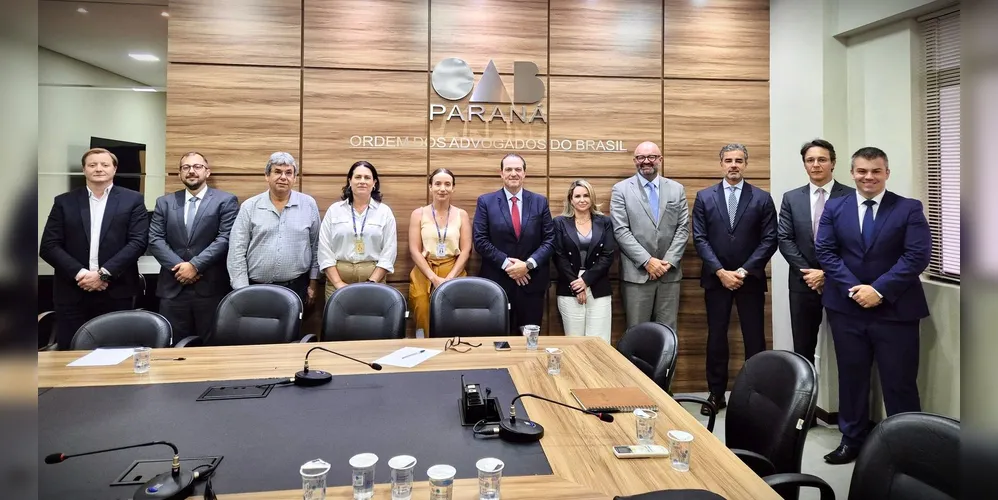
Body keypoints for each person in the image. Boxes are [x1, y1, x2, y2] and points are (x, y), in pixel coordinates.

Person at [815, 147, 931, 465]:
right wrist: (857, 290)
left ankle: (907, 448)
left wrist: (878, 290)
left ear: (886, 173)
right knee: (852, 379)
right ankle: (851, 440)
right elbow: (825, 251)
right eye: (862, 171)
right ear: (852, 173)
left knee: (900, 383)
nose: (869, 177)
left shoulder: (908, 208)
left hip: (896, 311)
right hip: (846, 309)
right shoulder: (835, 208)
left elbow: (917, 256)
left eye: (876, 171)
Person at [692, 143, 778, 414]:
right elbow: (700, 238)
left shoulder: (762, 198)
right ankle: (716, 394)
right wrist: (720, 271)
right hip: (716, 279)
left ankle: (756, 395)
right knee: (717, 337)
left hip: (748, 279)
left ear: (746, 164)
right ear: (720, 164)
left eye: (738, 160)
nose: (733, 165)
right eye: (728, 160)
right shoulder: (704, 197)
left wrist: (742, 271)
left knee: (754, 339)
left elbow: (769, 240)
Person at [39, 148, 149, 349]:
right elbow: (48, 246)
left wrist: (103, 275)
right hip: (72, 292)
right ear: (84, 170)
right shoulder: (64, 202)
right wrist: (81, 274)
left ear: (114, 169)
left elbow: (138, 243)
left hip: (116, 291)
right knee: (71, 353)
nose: (99, 169)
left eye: (105, 165)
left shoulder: (132, 200)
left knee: (114, 351)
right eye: (92, 165)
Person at [777, 139, 854, 365]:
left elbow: (855, 242)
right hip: (803, 283)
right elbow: (785, 238)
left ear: (833, 163)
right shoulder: (791, 198)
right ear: (804, 165)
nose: (816, 164)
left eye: (822, 159)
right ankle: (805, 401)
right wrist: (810, 274)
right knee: (802, 349)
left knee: (848, 347)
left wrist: (827, 273)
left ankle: (848, 401)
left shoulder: (851, 196)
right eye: (810, 160)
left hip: (841, 282)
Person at [148, 152, 239, 341]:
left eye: (197, 167)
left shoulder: (225, 201)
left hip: (210, 288)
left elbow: (225, 238)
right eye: (186, 167)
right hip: (173, 287)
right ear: (180, 173)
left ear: (207, 172)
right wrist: (181, 267)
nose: (191, 171)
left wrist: (195, 265)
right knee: (173, 346)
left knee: (211, 345)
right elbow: (155, 239)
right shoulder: (164, 202)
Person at [610, 141, 689, 330]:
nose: (646, 161)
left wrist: (668, 262)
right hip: (637, 275)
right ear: (635, 161)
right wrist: (648, 261)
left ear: (660, 159)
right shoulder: (621, 189)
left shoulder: (676, 189)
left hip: (669, 275)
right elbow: (621, 230)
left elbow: (683, 228)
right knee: (637, 333)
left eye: (651, 157)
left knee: (668, 333)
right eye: (640, 158)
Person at [473, 153, 555, 333]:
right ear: (501, 173)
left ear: (524, 173)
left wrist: (527, 265)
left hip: (532, 283)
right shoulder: (486, 202)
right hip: (498, 283)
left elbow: (550, 240)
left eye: (518, 169)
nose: (513, 173)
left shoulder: (540, 202)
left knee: (530, 339)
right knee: (499, 338)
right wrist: (509, 265)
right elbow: (480, 240)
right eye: (508, 169)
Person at [226, 152, 320, 309]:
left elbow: (316, 246)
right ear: (267, 176)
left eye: (289, 172)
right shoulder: (250, 206)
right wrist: (242, 291)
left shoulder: (308, 204)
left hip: (296, 288)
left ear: (295, 178)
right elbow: (236, 251)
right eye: (277, 171)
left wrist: (313, 283)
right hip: (254, 288)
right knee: (255, 333)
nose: (283, 177)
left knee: (291, 333)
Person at [318, 161, 398, 301]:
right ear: (350, 181)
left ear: (374, 183)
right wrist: (338, 283)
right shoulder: (334, 210)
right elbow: (324, 250)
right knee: (338, 322)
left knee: (372, 321)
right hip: (337, 280)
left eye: (367, 178)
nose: (362, 181)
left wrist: (372, 282)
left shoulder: (384, 212)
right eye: (358, 177)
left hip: (374, 280)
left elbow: (389, 251)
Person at [408, 168, 472, 337]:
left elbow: (465, 250)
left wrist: (449, 278)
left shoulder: (462, 215)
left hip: (453, 269)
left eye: (447, 184)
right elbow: (414, 250)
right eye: (437, 184)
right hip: (424, 271)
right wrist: (433, 278)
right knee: (422, 314)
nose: (442, 188)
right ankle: (423, 352)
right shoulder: (418, 214)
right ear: (430, 187)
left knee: (453, 317)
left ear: (453, 188)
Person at [552, 179, 617, 343]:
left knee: (599, 341)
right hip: (569, 285)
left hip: (598, 285)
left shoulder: (605, 222)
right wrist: (576, 284)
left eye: (586, 195)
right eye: (577, 196)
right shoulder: (559, 223)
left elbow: (608, 255)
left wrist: (586, 281)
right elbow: (559, 256)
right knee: (575, 342)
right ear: (570, 199)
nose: (582, 200)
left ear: (592, 197)